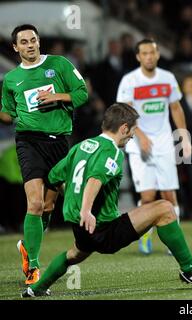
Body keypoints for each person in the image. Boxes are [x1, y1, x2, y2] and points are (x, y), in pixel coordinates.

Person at [21, 103, 192, 298]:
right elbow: (95, 179)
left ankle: (36, 289)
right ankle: (190, 269)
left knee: (73, 255)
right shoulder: (112, 151)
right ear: (124, 128)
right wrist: (86, 210)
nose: (133, 135)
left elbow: (54, 176)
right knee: (165, 209)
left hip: (81, 229)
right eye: (133, 130)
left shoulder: (80, 147)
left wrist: (65, 205)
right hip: (102, 229)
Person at [0, 24, 88, 285]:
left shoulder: (58, 64)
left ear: (39, 42)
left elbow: (82, 93)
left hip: (59, 141)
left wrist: (56, 97)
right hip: (28, 141)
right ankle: (33, 267)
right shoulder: (12, 79)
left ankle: (28, 246)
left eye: (33, 40)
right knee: (36, 203)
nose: (30, 45)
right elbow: (7, 114)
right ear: (15, 47)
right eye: (24, 42)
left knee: (49, 206)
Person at [116, 38, 192, 255]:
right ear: (138, 57)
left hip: (164, 142)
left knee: (169, 194)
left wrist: (184, 135)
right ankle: (145, 235)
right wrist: (140, 135)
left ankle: (174, 240)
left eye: (152, 52)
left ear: (157, 55)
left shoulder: (167, 78)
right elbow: (126, 113)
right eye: (145, 53)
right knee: (148, 196)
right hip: (138, 144)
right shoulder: (130, 80)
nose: (149, 56)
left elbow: (176, 108)